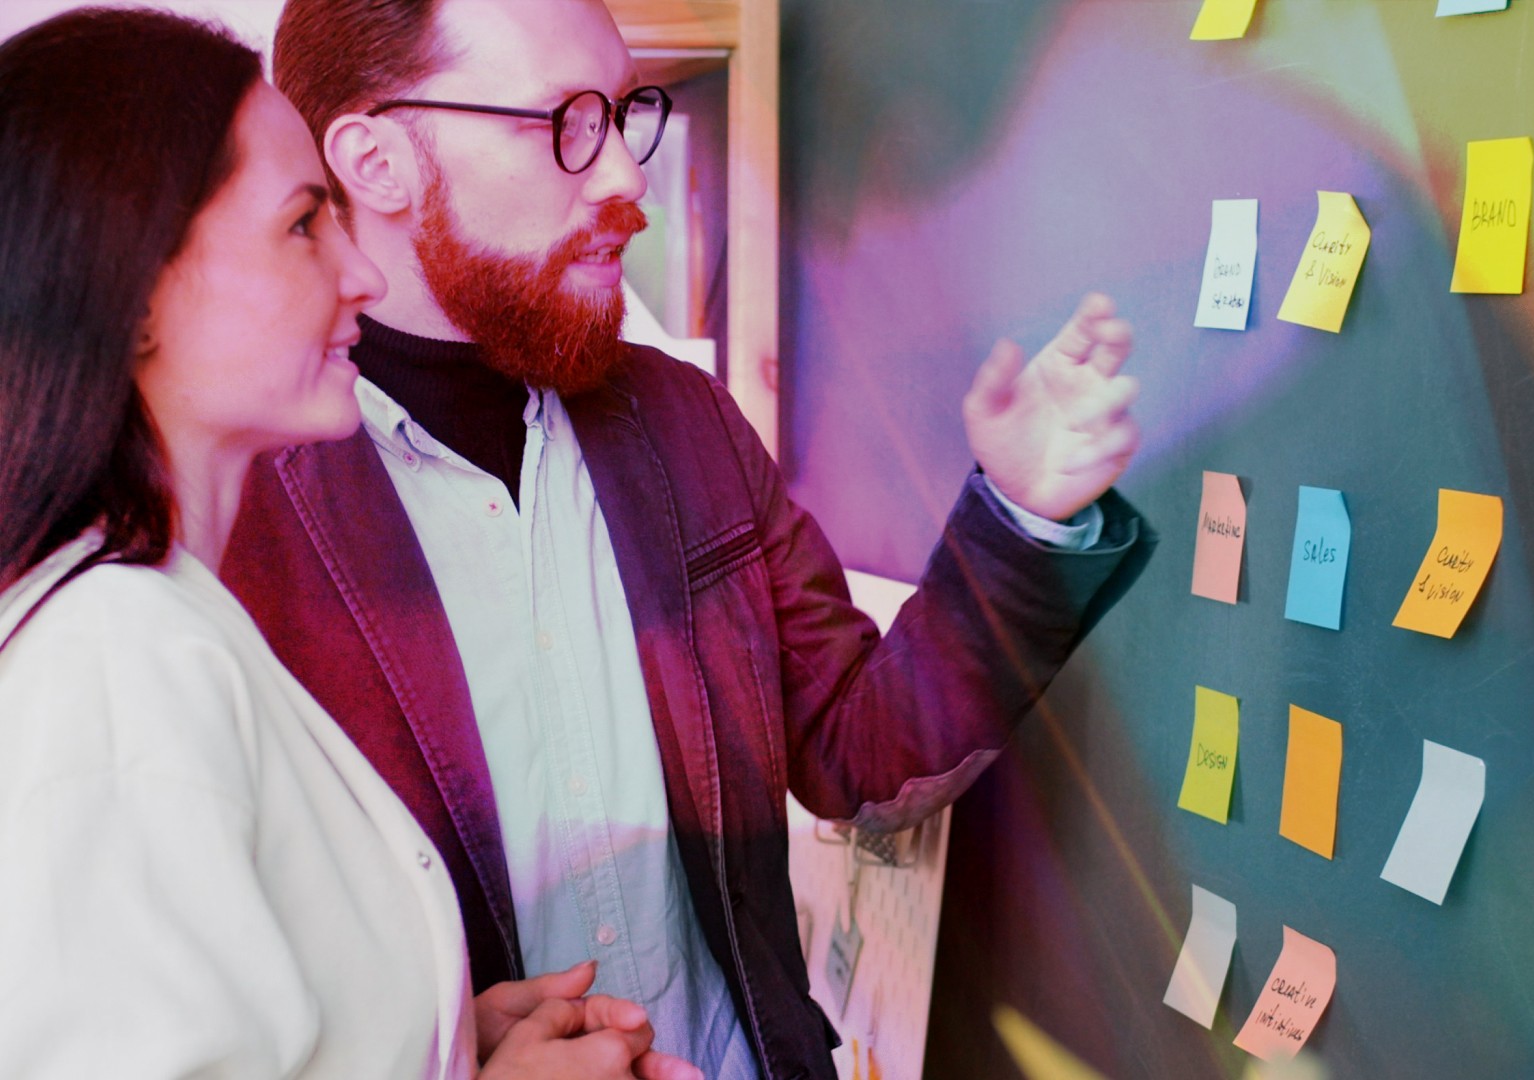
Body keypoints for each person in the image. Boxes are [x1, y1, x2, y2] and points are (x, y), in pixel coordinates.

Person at [224, 0, 1156, 1075]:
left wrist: (1023, 517)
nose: (627, 179)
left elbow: (867, 756)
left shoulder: (686, 421)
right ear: (377, 160)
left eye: (625, 115)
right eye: (566, 121)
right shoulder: (229, 517)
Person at [0, 8, 697, 1078]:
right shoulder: (115, 659)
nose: (362, 277)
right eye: (302, 224)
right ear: (136, 291)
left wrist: (441, 1041)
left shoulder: (166, 616)